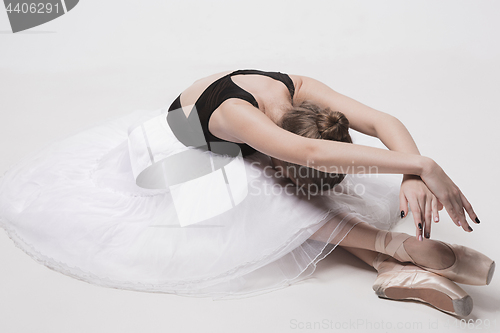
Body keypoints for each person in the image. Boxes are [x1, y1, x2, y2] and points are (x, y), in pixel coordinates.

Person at [0, 69, 494, 317]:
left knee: (295, 190)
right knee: (269, 197)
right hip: (166, 162)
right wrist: (422, 164)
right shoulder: (238, 116)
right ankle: (398, 249)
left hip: (244, 151)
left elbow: (381, 121)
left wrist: (410, 175)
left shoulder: (298, 90)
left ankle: (392, 269)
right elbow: (315, 158)